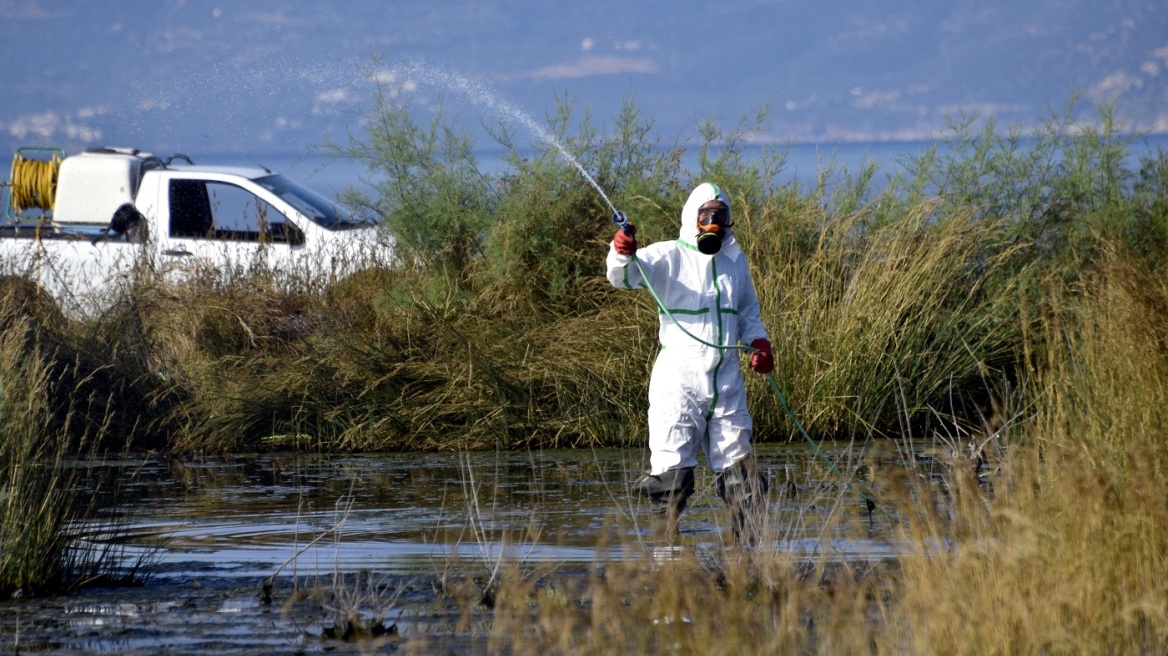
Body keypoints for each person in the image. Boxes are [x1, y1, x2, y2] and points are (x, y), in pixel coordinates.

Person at [606, 182, 773, 546]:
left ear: (729, 220)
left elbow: (747, 311)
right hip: (679, 381)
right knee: (671, 477)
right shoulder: (668, 256)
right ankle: (666, 559)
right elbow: (623, 276)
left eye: (720, 214)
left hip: (726, 380)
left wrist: (758, 343)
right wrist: (622, 251)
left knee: (741, 475)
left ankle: (749, 558)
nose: (713, 221)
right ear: (692, 218)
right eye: (706, 214)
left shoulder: (734, 260)